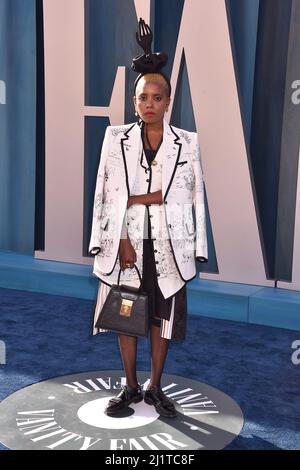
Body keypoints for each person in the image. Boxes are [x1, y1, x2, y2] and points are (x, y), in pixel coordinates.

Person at [89, 19, 208, 418]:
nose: (150, 103)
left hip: (170, 245)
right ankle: (130, 386)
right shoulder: (114, 138)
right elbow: (106, 194)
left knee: (162, 317)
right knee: (125, 314)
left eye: (158, 97)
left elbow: (193, 197)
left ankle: (156, 386)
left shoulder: (186, 143)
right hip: (126, 241)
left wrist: (198, 247)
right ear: (134, 101)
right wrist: (120, 233)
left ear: (168, 102)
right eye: (143, 97)